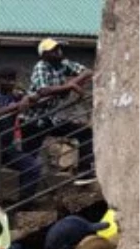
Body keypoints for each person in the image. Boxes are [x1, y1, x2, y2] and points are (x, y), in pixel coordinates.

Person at [28, 39, 95, 182]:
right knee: (29, 159)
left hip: (51, 118)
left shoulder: (63, 64)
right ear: (44, 55)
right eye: (53, 50)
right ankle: (24, 196)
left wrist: (72, 83)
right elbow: (43, 90)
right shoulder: (41, 66)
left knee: (85, 132)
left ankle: (84, 171)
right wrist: (69, 87)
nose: (58, 52)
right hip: (33, 120)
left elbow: (87, 72)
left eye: (58, 49)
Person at [0, 67, 41, 202]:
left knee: (32, 167)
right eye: (8, 80)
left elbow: (35, 96)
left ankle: (24, 204)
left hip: (6, 146)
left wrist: (26, 97)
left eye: (13, 80)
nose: (11, 83)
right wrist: (19, 104)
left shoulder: (14, 94)